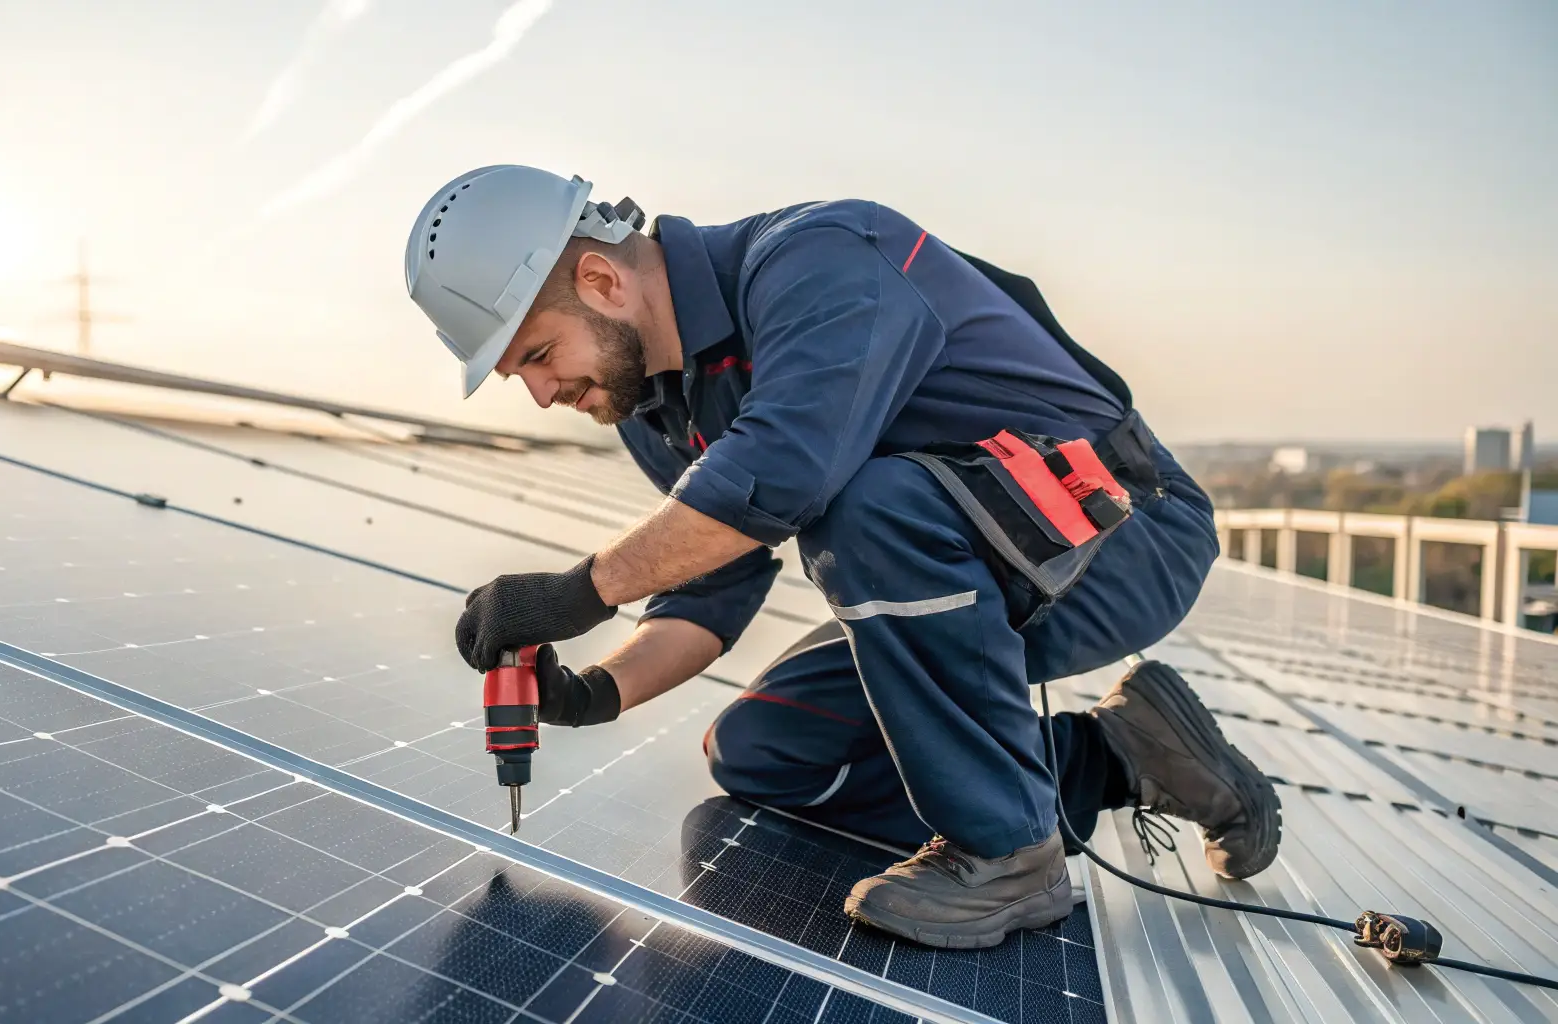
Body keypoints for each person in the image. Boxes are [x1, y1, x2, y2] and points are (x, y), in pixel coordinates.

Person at [403, 165, 1279, 949]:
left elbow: (786, 470)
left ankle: (1009, 855)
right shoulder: (652, 406)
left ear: (601, 279)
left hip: (1123, 534)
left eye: (539, 355)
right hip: (965, 571)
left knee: (864, 507)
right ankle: (1126, 756)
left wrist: (575, 593)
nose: (544, 393)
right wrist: (598, 692)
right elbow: (711, 583)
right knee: (761, 750)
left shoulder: (819, 257)